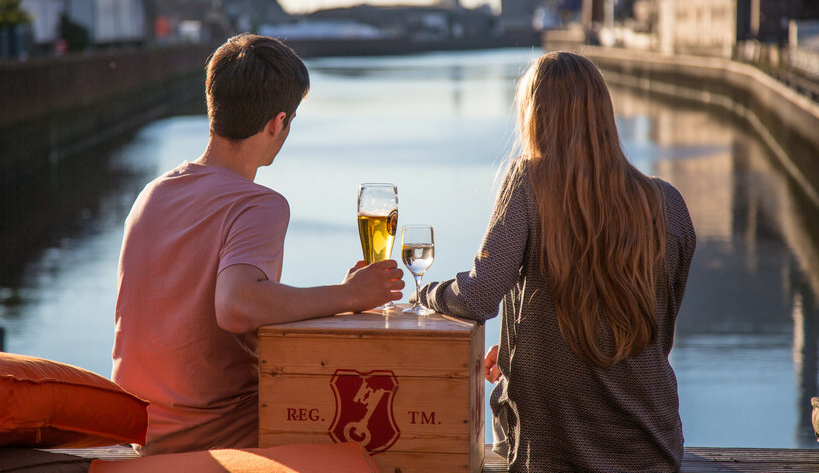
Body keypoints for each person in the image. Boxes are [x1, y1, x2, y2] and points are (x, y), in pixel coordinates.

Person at [112, 34, 405, 455]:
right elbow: (237, 306)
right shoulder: (258, 204)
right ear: (277, 122)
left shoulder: (152, 194)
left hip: (139, 433)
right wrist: (348, 296)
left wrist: (340, 294)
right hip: (219, 434)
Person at [417, 51, 696, 472]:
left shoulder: (529, 182)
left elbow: (478, 297)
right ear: (604, 112)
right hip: (653, 451)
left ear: (535, 115)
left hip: (551, 455)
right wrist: (517, 348)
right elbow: (658, 335)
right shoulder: (668, 203)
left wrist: (426, 293)